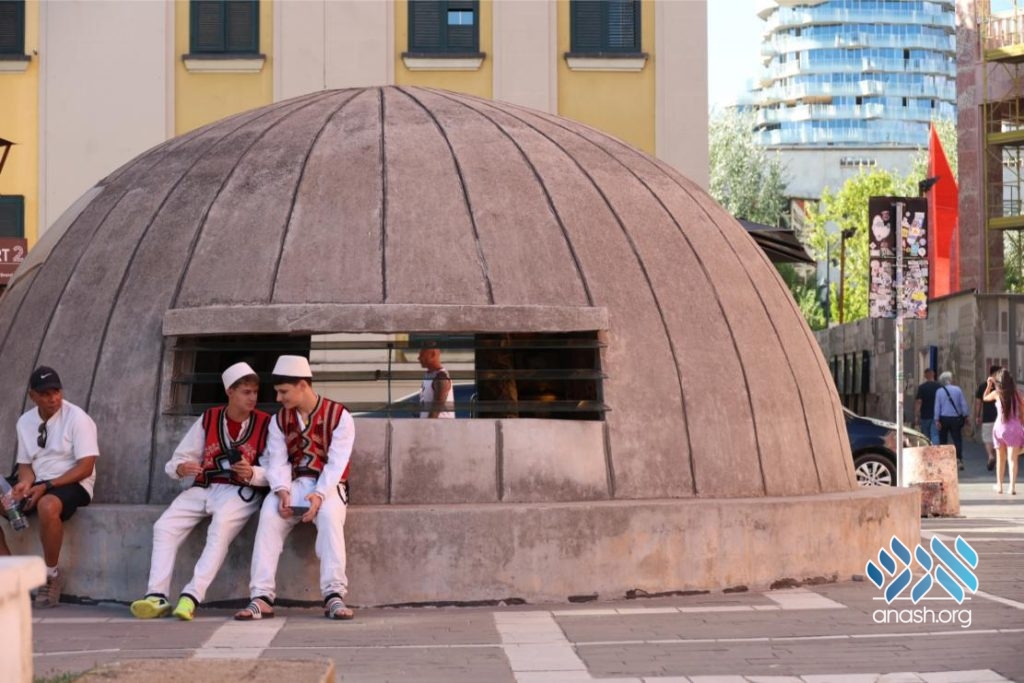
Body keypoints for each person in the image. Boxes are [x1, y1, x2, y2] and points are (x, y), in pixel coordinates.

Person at [130, 363, 271, 621]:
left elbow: (275, 468)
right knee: (165, 526)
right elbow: (180, 458)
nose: (253, 398)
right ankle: (156, 595)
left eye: (255, 392)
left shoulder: (266, 423)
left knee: (220, 529)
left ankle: (191, 596)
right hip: (205, 487)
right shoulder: (209, 418)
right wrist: (181, 468)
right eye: (246, 392)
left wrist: (252, 472)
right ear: (230, 391)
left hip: (240, 492)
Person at [235, 355, 355, 621]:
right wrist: (281, 490)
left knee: (329, 517)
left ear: (302, 385)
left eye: (283, 391)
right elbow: (277, 459)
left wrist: (319, 495)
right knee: (269, 516)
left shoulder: (340, 416)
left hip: (329, 485)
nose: (279, 398)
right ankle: (261, 597)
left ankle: (334, 595)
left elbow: (337, 463)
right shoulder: (279, 420)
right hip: (293, 483)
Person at [0, 366, 99, 608]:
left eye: (56, 392)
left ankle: (51, 575)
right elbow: (25, 465)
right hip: (39, 481)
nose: (53, 398)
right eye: (45, 394)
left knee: (47, 505)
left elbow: (86, 467)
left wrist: (46, 486)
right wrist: (24, 485)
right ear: (32, 395)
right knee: (6, 497)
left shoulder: (78, 418)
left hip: (72, 481)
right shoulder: (25, 421)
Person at [983, 368, 1024, 495]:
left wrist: (989, 385)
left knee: (1000, 459)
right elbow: (1022, 411)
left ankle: (999, 486)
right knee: (1012, 459)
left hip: (999, 428)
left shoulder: (997, 393)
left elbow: (985, 398)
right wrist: (1021, 423)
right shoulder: (1018, 394)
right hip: (1014, 428)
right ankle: (1012, 487)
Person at [935, 371, 971, 471]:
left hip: (943, 418)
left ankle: (943, 460)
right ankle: (958, 459)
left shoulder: (939, 391)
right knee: (957, 439)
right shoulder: (957, 390)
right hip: (955, 418)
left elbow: (937, 406)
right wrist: (966, 415)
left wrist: (936, 419)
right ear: (950, 380)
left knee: (943, 439)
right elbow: (963, 404)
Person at [975, 365, 1002, 471]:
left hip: (987, 418)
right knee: (998, 439)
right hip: (1000, 419)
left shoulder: (983, 386)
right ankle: (997, 457)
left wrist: (977, 416)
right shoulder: (1002, 386)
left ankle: (990, 456)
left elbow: (978, 403)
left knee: (987, 439)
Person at [418, 346, 454, 419]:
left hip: (439, 425)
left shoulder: (441, 377)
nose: (419, 358)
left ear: (433, 354)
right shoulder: (429, 376)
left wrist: (426, 425)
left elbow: (436, 410)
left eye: (422, 355)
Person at [914, 368, 941, 445]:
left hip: (925, 415)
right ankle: (935, 450)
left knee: (925, 436)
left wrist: (916, 415)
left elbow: (919, 402)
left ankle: (927, 449)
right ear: (933, 374)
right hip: (936, 415)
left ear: (925, 376)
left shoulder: (922, 387)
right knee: (935, 435)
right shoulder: (939, 387)